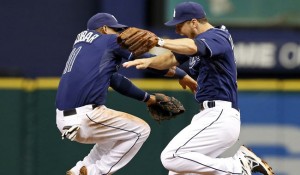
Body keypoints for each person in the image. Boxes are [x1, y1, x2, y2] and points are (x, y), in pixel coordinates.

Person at [123, 2, 274, 175]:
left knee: (171, 157)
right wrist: (149, 61)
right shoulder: (197, 42)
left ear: (194, 22)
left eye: (180, 25)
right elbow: (170, 59)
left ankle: (239, 165)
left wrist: (160, 42)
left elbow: (192, 47)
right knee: (179, 171)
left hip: (219, 116)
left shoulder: (218, 36)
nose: (177, 30)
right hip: (208, 116)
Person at [55, 12, 197, 175]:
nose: (119, 33)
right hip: (86, 115)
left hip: (65, 119)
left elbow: (115, 80)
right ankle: (95, 172)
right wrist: (182, 74)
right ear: (103, 28)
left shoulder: (84, 46)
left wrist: (148, 99)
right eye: (115, 29)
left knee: (116, 135)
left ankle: (80, 169)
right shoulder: (109, 40)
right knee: (140, 130)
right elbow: (151, 62)